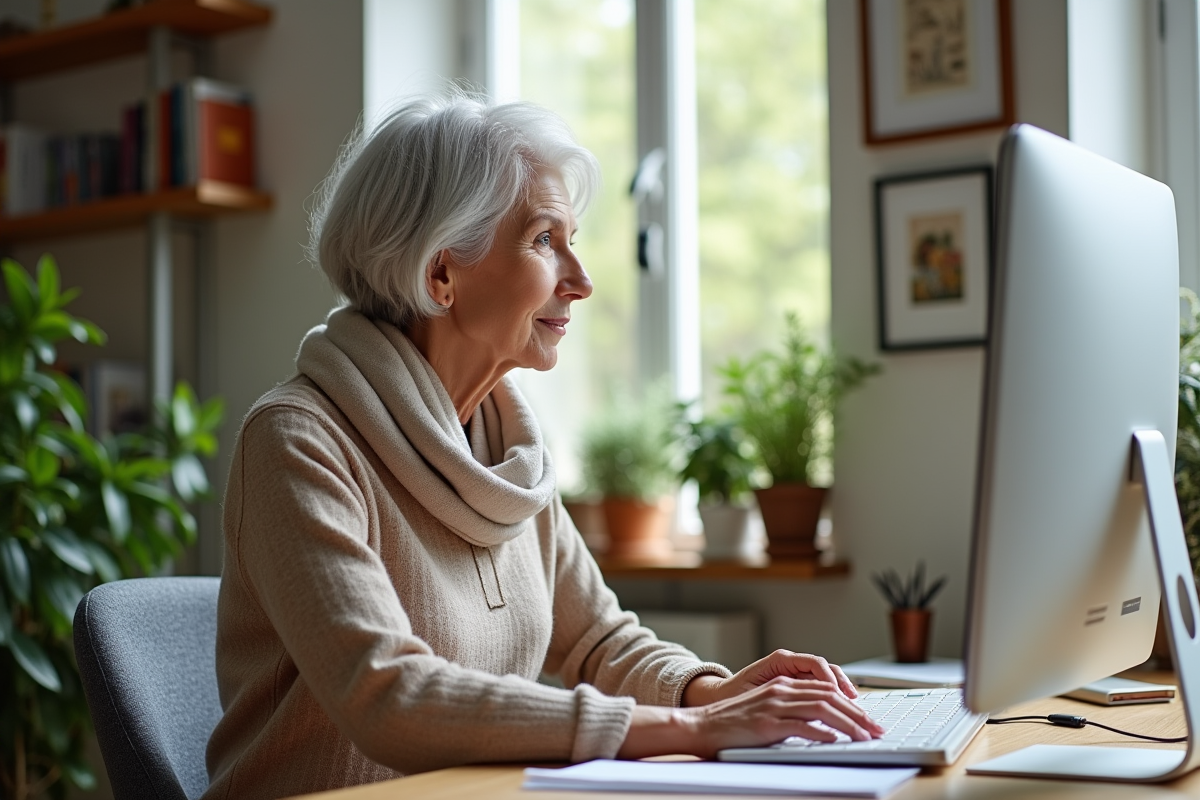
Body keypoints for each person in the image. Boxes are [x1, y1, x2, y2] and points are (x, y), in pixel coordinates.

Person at [203, 94, 882, 800]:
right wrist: (694, 729)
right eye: (544, 240)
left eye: (572, 240)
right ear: (441, 274)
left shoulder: (508, 449)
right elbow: (387, 695)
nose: (581, 281)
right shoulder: (299, 440)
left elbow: (598, 640)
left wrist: (714, 692)